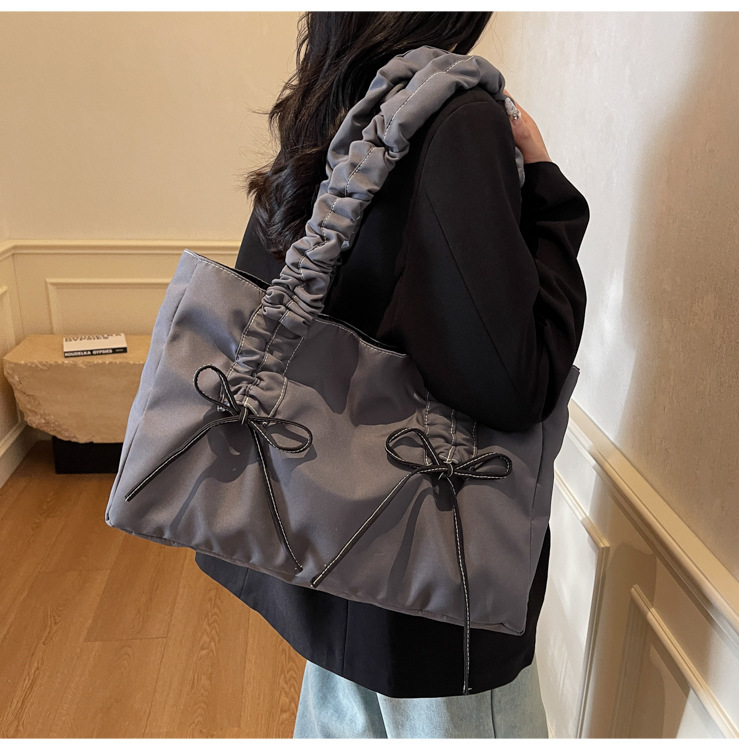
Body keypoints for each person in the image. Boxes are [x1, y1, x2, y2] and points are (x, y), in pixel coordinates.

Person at [194, 11, 589, 739]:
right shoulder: (458, 118)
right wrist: (546, 190)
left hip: (325, 545)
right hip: (431, 583)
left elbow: (267, 293)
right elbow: (517, 384)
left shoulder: (331, 97)